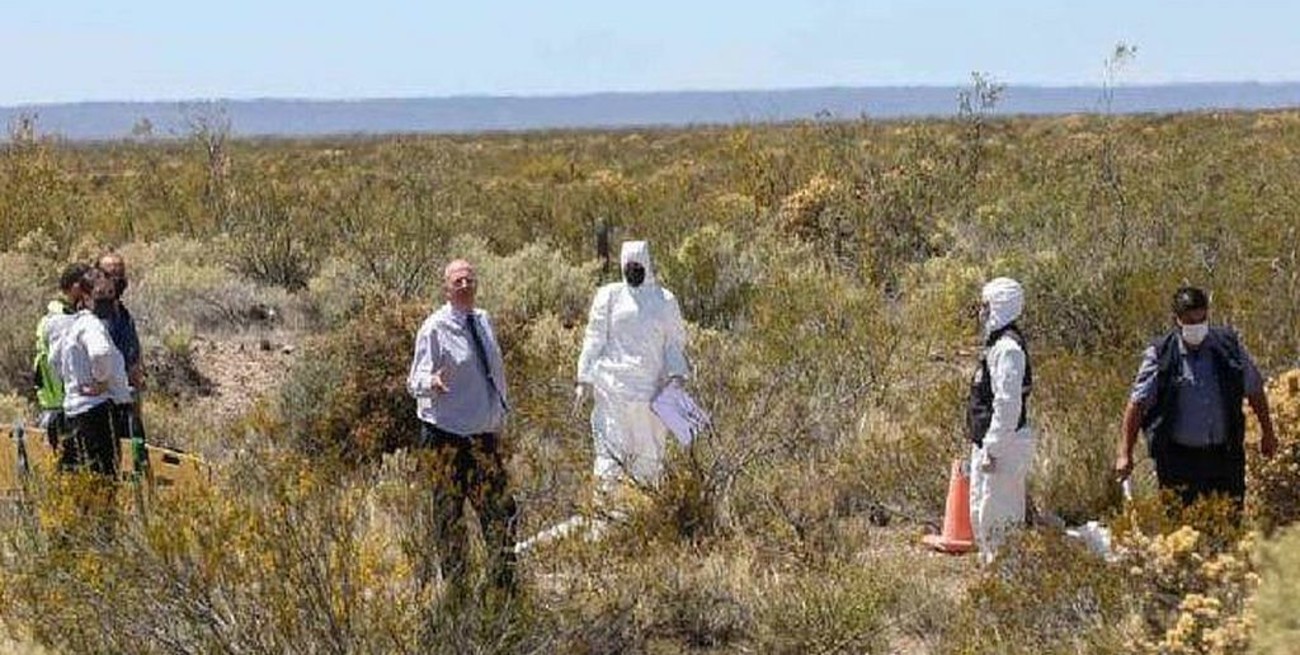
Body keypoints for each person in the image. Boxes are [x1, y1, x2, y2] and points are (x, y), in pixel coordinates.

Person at [406, 259, 517, 594]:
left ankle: (503, 588)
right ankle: (458, 592)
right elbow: (414, 381)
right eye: (458, 282)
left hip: (483, 437)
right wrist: (432, 381)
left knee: (502, 512)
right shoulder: (434, 329)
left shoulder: (482, 320)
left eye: (470, 280)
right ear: (446, 288)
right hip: (446, 439)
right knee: (449, 518)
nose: (465, 286)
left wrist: (499, 417)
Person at [1115, 287, 1277, 513]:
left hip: (1225, 457)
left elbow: (1255, 390)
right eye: (1190, 321)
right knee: (1183, 528)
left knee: (1228, 522)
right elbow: (1137, 405)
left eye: (1202, 319)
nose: (1197, 326)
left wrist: (1267, 433)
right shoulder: (1161, 355)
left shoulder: (1228, 347)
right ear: (1177, 320)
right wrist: (1125, 453)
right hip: (1178, 460)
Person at [574, 240, 689, 492]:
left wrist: (677, 375)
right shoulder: (609, 296)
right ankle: (606, 511)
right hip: (612, 389)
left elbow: (674, 343)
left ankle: (644, 509)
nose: (633, 270)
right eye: (628, 265)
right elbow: (594, 338)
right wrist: (583, 379)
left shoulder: (665, 300)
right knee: (610, 451)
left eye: (637, 265)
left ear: (646, 264)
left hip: (650, 393)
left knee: (648, 453)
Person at [966, 277, 1035, 563]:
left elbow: (1007, 404)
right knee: (981, 509)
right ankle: (990, 573)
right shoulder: (996, 346)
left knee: (999, 516)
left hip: (1003, 447)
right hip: (990, 443)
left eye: (986, 305)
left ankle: (1004, 580)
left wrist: (993, 448)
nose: (981, 312)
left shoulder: (1008, 350)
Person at [49, 269, 132, 476]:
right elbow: (101, 353)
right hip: (97, 417)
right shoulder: (92, 326)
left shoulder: (73, 325)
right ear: (86, 297)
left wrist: (73, 383)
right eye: (100, 293)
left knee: (80, 486)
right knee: (103, 485)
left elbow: (54, 361)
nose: (106, 298)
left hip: (75, 415)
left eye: (110, 292)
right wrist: (102, 381)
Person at [33, 263, 90, 450]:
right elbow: (60, 365)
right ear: (75, 286)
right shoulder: (61, 321)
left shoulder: (55, 318)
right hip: (63, 412)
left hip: (56, 408)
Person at [96, 252, 145, 444]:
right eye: (110, 273)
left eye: (120, 273)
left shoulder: (125, 316)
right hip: (105, 406)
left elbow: (134, 360)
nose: (116, 279)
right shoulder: (94, 319)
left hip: (128, 404)